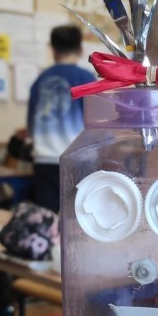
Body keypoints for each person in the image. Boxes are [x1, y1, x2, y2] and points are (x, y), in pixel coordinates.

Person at [27, 25, 94, 212]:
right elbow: (96, 124)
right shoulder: (86, 78)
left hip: (44, 161)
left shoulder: (40, 80)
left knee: (46, 219)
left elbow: (31, 128)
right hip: (78, 161)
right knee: (77, 217)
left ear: (53, 50)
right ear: (80, 50)